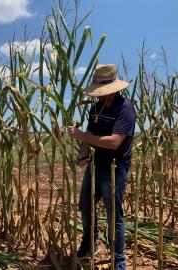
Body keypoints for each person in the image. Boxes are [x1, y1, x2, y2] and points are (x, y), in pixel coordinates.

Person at [67, 64, 136, 270]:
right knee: (86, 207)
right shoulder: (95, 107)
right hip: (95, 167)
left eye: (101, 92)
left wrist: (81, 136)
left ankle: (119, 257)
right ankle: (90, 244)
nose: (99, 96)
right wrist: (83, 152)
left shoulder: (125, 109)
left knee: (114, 215)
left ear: (114, 89)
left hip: (115, 170)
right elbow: (90, 136)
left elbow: (114, 141)